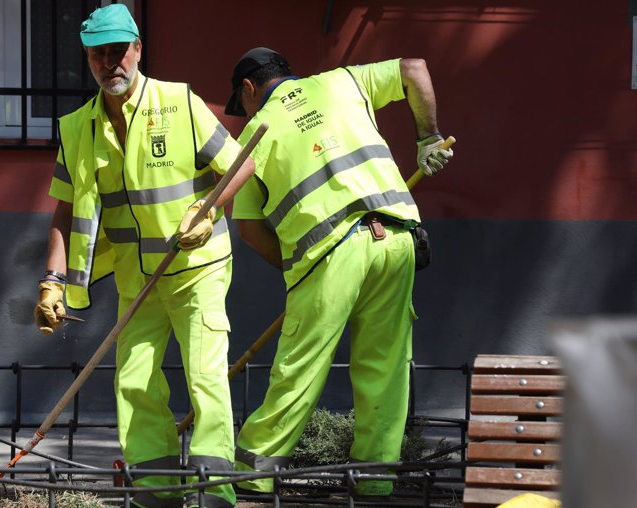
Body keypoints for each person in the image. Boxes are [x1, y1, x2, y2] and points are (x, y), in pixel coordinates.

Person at [33, 5, 254, 508]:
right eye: (98, 54)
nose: (110, 62)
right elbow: (64, 211)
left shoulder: (179, 102)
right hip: (138, 281)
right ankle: (155, 492)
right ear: (87, 57)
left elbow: (242, 163)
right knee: (134, 382)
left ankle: (213, 492)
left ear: (138, 49)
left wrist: (206, 208)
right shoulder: (77, 129)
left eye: (118, 51)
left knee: (204, 374)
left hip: (198, 270)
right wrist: (51, 280)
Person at [223, 47, 453, 498]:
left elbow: (249, 230)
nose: (242, 112)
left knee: (300, 367)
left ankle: (251, 473)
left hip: (329, 255)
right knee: (385, 367)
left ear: (248, 89)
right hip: (398, 239)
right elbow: (414, 68)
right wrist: (428, 136)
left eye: (241, 103)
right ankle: (374, 482)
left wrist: (295, 270)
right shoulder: (343, 81)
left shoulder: (253, 135)